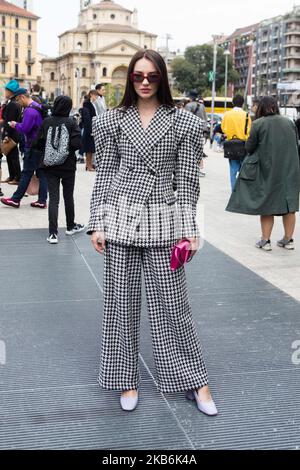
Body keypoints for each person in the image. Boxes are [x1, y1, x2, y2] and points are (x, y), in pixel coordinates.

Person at [88, 49, 218, 416]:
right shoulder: (111, 121)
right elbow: (106, 175)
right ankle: (124, 378)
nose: (144, 82)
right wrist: (97, 222)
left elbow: (188, 182)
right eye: (137, 76)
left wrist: (191, 229)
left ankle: (195, 379)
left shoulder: (184, 124)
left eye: (152, 76)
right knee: (119, 304)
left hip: (165, 217)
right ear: (129, 78)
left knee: (173, 306)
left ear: (163, 78)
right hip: (120, 217)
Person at [226, 96, 300, 251]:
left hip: (267, 170)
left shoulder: (259, 124)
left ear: (261, 108)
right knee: (289, 205)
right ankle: (288, 239)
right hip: (289, 169)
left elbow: (250, 147)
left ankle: (265, 241)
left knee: (267, 204)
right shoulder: (289, 122)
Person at [34, 95, 85, 244]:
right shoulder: (71, 122)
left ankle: (53, 234)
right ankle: (70, 226)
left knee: (54, 199)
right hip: (68, 166)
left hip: (50, 166)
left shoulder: (47, 122)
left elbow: (38, 143)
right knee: (68, 196)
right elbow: (77, 144)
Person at [1, 88, 47, 209]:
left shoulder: (29, 110)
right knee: (42, 173)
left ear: (22, 97)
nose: (17, 103)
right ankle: (42, 201)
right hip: (40, 145)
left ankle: (15, 199)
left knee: (26, 173)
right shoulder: (38, 106)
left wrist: (15, 124)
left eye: (17, 100)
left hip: (32, 146)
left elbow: (25, 129)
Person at [221, 94, 252, 190]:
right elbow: (249, 131)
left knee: (233, 171)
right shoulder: (246, 115)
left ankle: (234, 192)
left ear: (233, 103)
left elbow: (223, 129)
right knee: (243, 170)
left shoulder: (227, 114)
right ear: (242, 104)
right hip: (243, 145)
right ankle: (243, 191)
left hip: (231, 145)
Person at [1, 80, 22, 185]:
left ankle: (17, 177)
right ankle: (12, 176)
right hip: (12, 133)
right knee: (9, 155)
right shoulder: (11, 102)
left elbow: (9, 121)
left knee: (13, 157)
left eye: (6, 90)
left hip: (12, 134)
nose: (5, 92)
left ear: (11, 91)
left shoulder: (13, 104)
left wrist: (6, 135)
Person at [185, 91, 208, 177]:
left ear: (190, 97)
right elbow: (205, 118)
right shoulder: (202, 106)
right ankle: (197, 169)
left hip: (191, 131)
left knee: (190, 150)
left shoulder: (188, 106)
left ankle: (191, 169)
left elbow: (186, 119)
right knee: (198, 150)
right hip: (201, 130)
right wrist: (205, 131)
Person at [81, 90, 98, 172]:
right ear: (91, 95)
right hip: (89, 129)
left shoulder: (90, 104)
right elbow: (87, 118)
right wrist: (91, 130)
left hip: (91, 128)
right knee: (89, 149)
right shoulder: (87, 104)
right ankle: (88, 165)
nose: (96, 98)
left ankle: (89, 165)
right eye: (95, 96)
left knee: (90, 149)